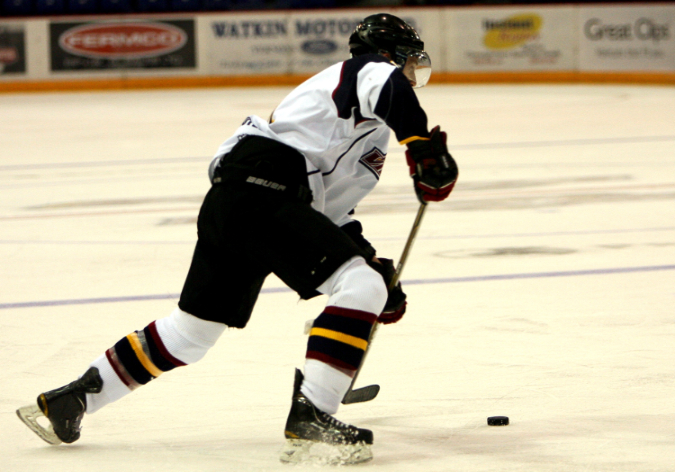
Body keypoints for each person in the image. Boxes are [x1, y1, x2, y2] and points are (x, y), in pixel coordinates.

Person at [16, 13, 458, 465]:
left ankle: (75, 397)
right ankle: (314, 416)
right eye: (408, 62)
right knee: (358, 285)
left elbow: (330, 214)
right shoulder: (368, 71)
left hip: (239, 200)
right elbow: (388, 87)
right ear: (388, 54)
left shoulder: (363, 127)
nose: (411, 75)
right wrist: (422, 147)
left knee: (191, 332)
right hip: (267, 188)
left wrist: (375, 266)